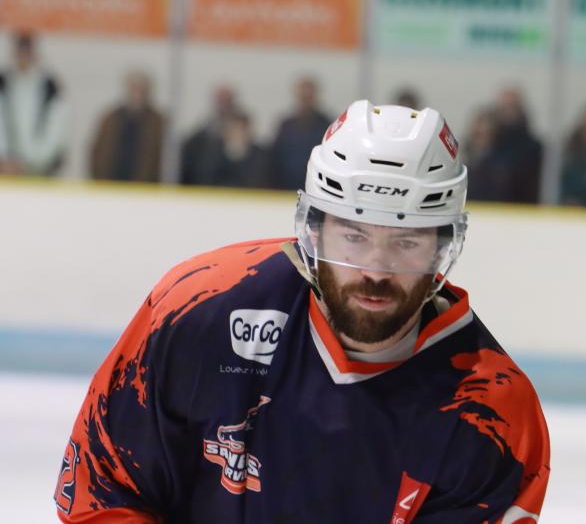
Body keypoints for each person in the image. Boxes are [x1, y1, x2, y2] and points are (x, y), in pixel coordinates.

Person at [55, 100, 550, 523]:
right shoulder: (200, 310)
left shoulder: (491, 414)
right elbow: (105, 488)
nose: (375, 270)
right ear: (314, 232)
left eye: (406, 242)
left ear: (442, 249)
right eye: (353, 236)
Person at [0, 31, 66, 176]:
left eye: (27, 52)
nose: (23, 57)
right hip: (5, 169)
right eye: (20, 51)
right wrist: (5, 159)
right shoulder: (3, 83)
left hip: (41, 170)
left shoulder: (50, 87)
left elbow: (57, 129)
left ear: (35, 54)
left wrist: (32, 162)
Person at [90, 70, 164, 182]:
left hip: (144, 186)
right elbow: (98, 150)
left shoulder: (157, 122)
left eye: (141, 88)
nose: (137, 93)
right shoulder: (110, 119)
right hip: (109, 183)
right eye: (134, 87)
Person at [270, 77, 331, 190]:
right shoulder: (286, 125)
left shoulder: (327, 125)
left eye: (308, 97)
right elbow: (275, 157)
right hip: (286, 187)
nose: (306, 101)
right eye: (303, 97)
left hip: (317, 187)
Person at [182, 109, 268, 188]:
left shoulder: (259, 156)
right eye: (234, 130)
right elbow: (204, 179)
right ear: (225, 132)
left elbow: (259, 181)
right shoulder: (212, 154)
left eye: (241, 129)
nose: (237, 134)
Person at [492, 87, 543, 203]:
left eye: (513, 106)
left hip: (521, 206)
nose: (509, 112)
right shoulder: (489, 142)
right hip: (489, 206)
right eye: (505, 107)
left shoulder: (533, 147)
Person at [180, 84, 239, 184]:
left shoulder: (241, 129)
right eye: (220, 99)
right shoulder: (204, 130)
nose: (223, 103)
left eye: (226, 99)